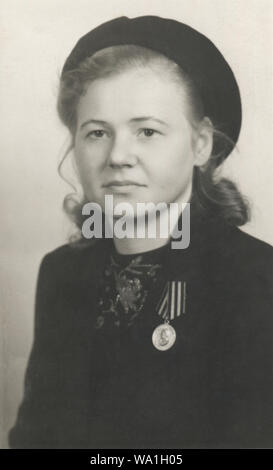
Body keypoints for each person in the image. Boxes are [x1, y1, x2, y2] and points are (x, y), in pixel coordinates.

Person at [9, 15, 273, 449]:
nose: (118, 156)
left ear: (201, 144)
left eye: (147, 131)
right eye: (96, 133)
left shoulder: (253, 277)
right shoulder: (62, 273)